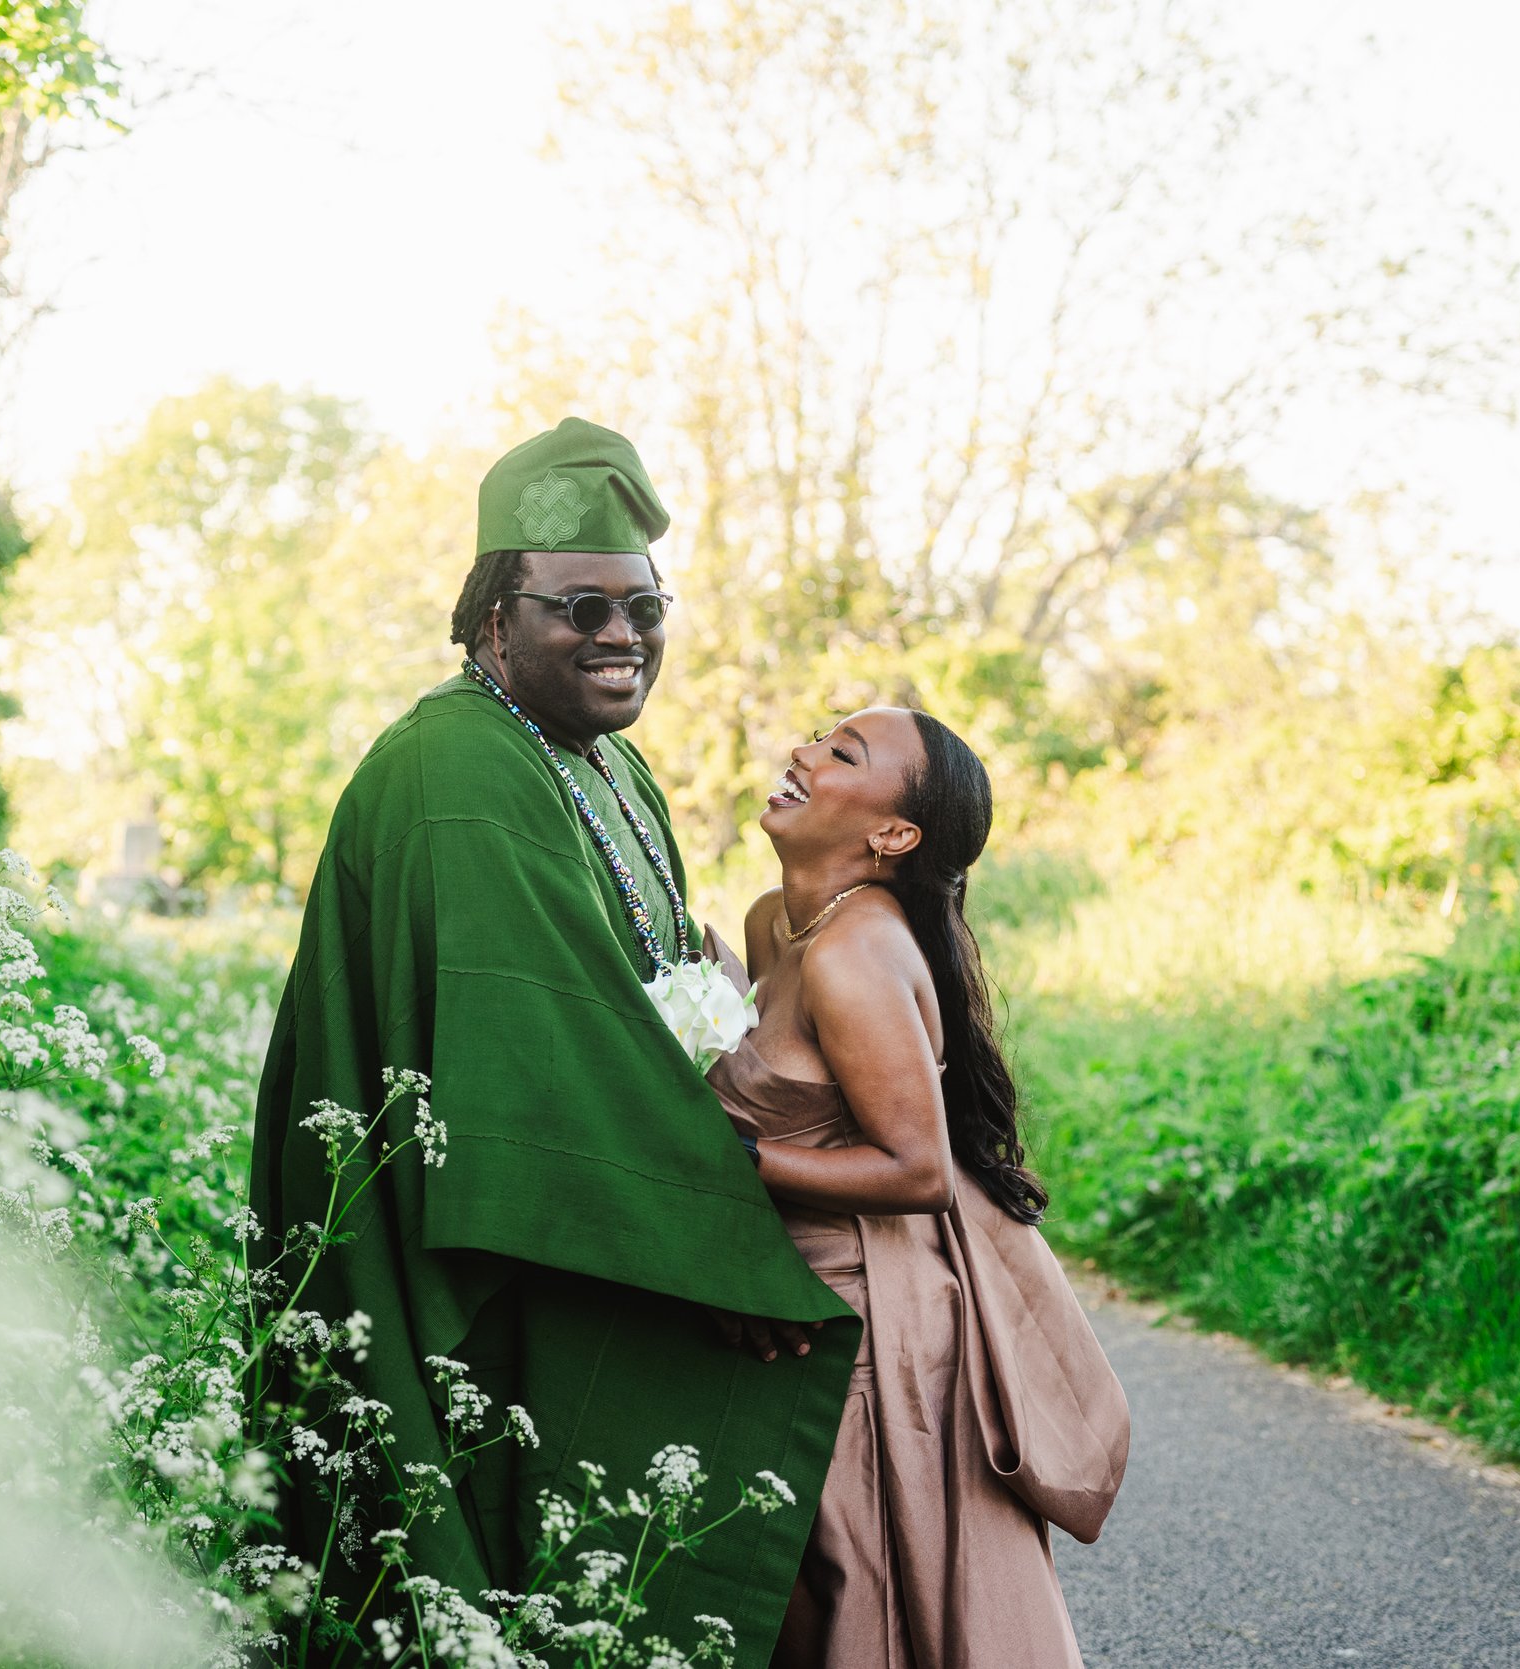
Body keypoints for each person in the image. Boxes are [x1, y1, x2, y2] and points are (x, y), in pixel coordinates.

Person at [247, 417, 854, 1664]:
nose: (620, 636)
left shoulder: (605, 768)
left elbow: (670, 984)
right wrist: (723, 1249)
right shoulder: (457, 766)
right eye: (579, 606)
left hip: (575, 1201)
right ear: (491, 616)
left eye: (644, 607)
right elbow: (538, 1050)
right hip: (466, 1232)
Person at [708, 707, 1133, 1668]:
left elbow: (919, 1169)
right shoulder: (775, 921)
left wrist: (732, 1160)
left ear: (893, 836)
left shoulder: (856, 952)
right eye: (819, 734)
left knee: (859, 1594)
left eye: (842, 754)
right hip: (784, 1295)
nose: (804, 753)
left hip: (864, 1324)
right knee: (797, 1592)